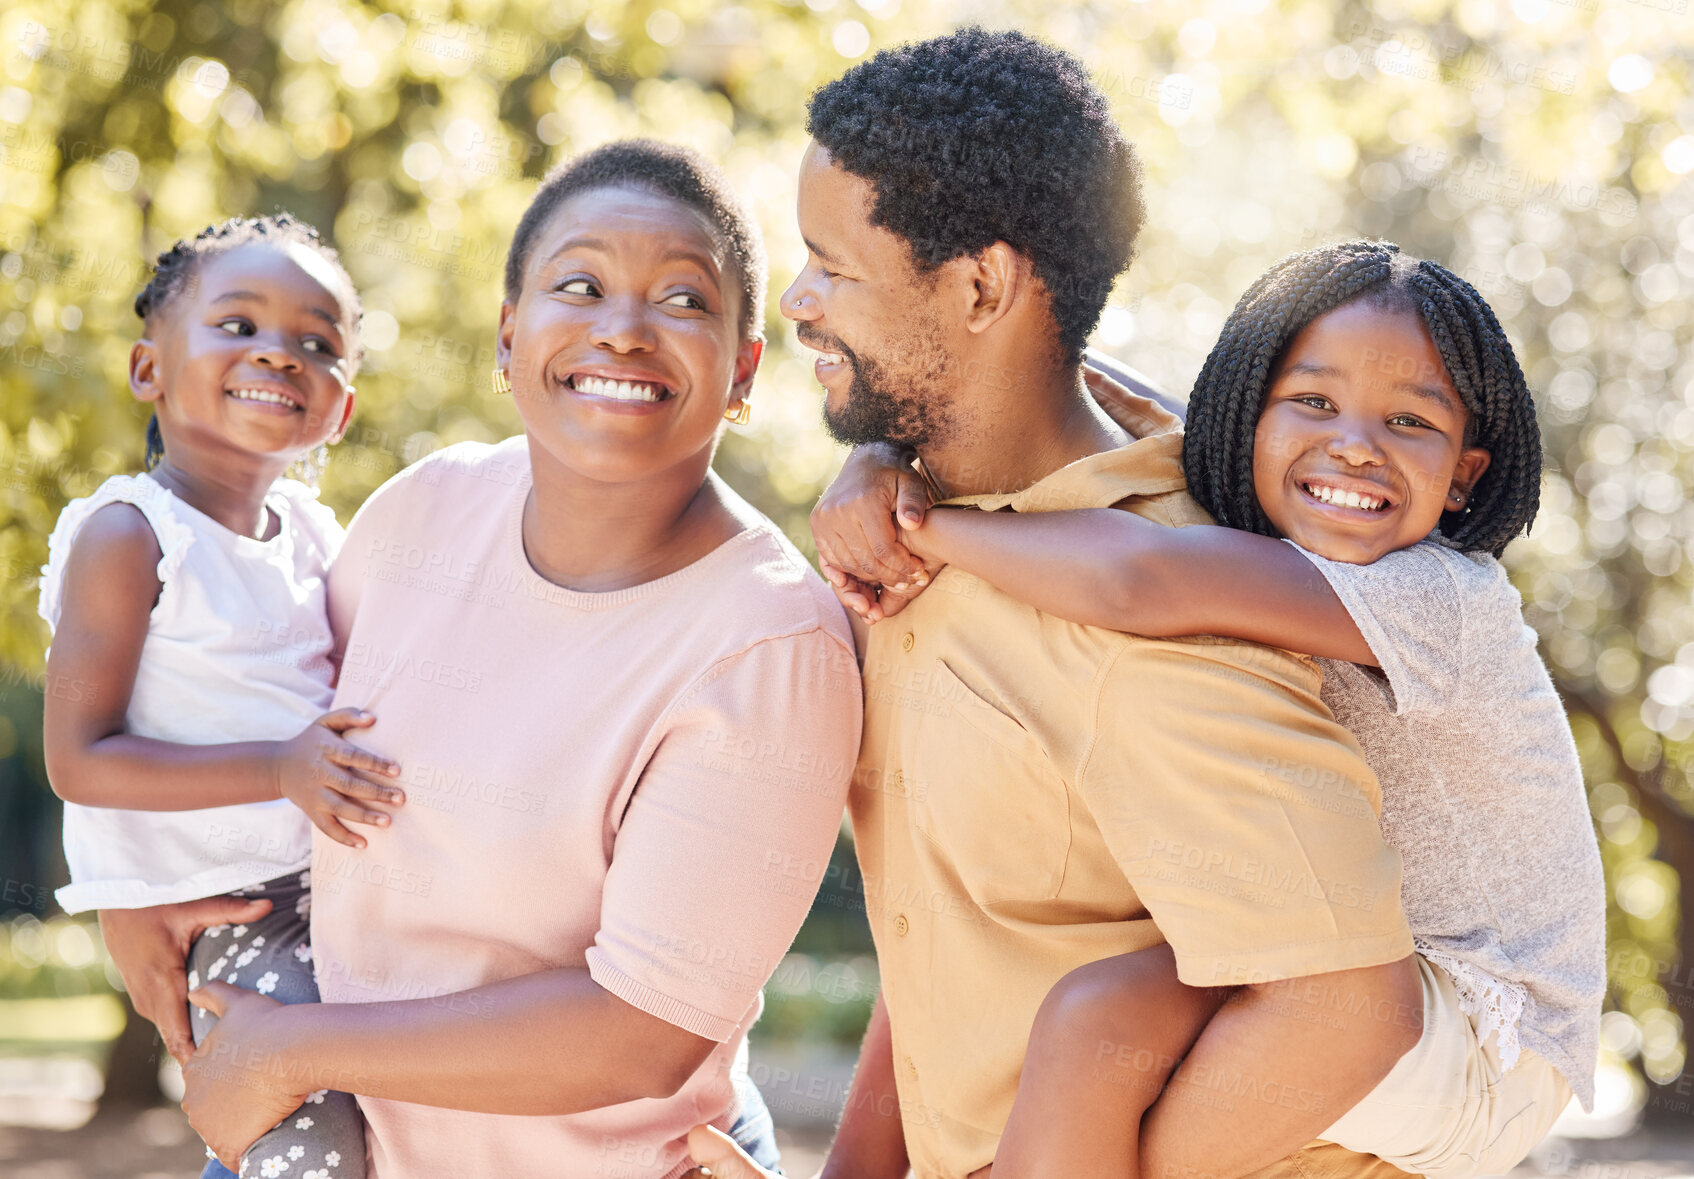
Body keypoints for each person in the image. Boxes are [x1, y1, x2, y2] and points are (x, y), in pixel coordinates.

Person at [693, 30, 1421, 1179]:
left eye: (832, 264)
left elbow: (1350, 1014)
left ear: (981, 285)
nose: (795, 300)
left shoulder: (1156, 619)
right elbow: (955, 949)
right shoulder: (921, 533)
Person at [142, 140, 863, 1178]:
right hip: (327, 1145)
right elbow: (260, 725)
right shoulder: (423, 511)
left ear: (743, 367)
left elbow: (638, 1031)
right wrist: (138, 900)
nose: (621, 327)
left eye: (682, 300)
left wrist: (290, 1050)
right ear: (509, 333)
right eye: (578, 285)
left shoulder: (769, 648)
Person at [808, 241, 1606, 1179]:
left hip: (1488, 1027)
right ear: (1248, 418)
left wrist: (921, 526)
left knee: (1092, 1026)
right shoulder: (1259, 533)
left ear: (1464, 474)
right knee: (1090, 1031)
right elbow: (1097, 399)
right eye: (1311, 402)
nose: (1355, 442)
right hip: (1370, 975)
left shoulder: (1437, 595)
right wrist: (882, 449)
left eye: (1409, 421)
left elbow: (1138, 577)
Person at [38, 214, 387, 1178]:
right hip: (225, 912)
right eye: (239, 325)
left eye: (316, 342)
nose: (280, 350)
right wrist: (281, 768)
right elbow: (79, 758)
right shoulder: (133, 536)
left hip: (344, 893)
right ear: (150, 369)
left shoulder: (318, 539)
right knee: (302, 1131)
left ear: (341, 408)